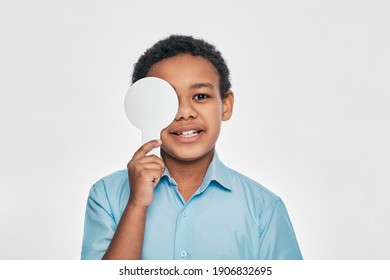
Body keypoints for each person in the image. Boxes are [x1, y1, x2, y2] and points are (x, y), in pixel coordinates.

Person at [81, 35, 303, 260]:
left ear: (225, 106)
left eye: (200, 96)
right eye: (168, 100)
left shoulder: (264, 208)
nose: (185, 112)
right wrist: (137, 204)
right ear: (144, 108)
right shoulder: (107, 196)